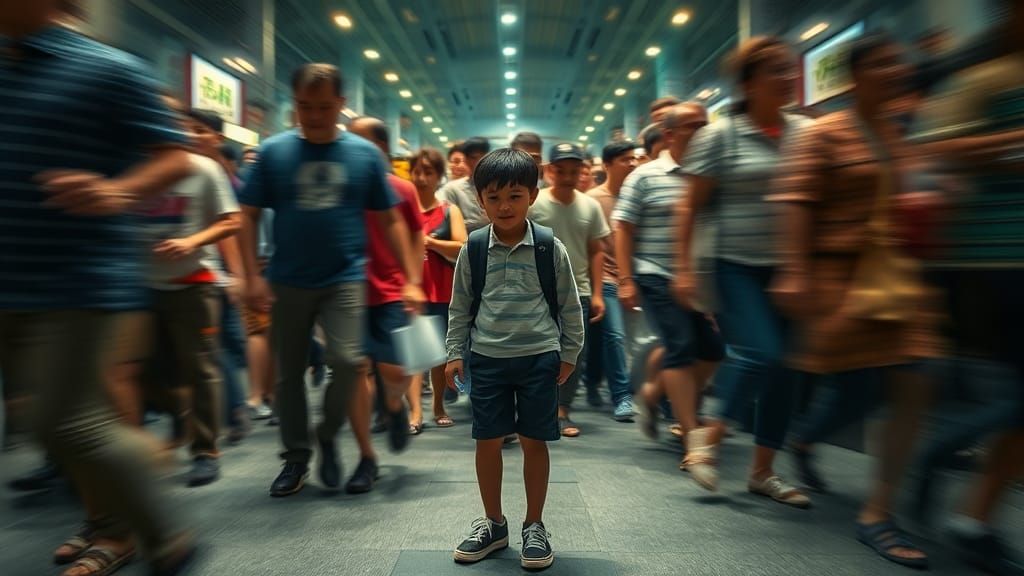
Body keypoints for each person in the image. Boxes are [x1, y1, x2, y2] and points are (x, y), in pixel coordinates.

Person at [0, 1, 199, 573]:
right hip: (10, 279)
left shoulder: (108, 68)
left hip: (78, 279)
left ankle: (160, 529)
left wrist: (115, 193)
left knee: (65, 421)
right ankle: (116, 518)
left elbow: (176, 158)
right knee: (45, 419)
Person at [770, 33, 939, 568]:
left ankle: (877, 512)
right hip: (838, 279)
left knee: (914, 378)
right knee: (856, 391)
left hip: (895, 279)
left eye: (899, 63)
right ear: (857, 74)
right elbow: (796, 200)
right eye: (884, 63)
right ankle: (803, 439)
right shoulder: (825, 134)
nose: (896, 71)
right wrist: (795, 271)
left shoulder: (898, 134)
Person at [238, 63, 426, 498]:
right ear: (295, 104)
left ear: (341, 105)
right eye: (305, 107)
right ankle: (296, 457)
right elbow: (246, 215)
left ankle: (327, 431)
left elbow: (391, 221)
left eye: (324, 107)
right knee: (288, 376)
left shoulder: (363, 156)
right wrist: (250, 274)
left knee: (346, 361)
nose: (315, 116)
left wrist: (410, 278)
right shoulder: (273, 152)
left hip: (345, 278)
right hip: (287, 279)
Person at [674, 37, 813, 507]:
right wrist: (683, 268)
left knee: (785, 370)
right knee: (760, 354)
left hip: (790, 266)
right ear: (749, 82)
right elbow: (688, 207)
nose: (788, 76)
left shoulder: (803, 132)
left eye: (789, 68)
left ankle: (763, 473)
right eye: (775, 69)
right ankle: (706, 437)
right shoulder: (720, 135)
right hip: (733, 264)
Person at [910, 3, 1024, 572]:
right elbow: (936, 149)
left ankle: (972, 514)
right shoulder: (987, 78)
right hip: (995, 260)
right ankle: (952, 484)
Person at [446, 148, 584, 570]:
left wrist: (570, 351)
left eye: (515, 196)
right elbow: (460, 306)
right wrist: (455, 353)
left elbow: (569, 304)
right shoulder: (473, 248)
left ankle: (534, 525)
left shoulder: (548, 247)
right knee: (487, 440)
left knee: (533, 440)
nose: (504, 207)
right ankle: (493, 522)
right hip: (487, 359)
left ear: (533, 196)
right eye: (493, 198)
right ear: (480, 199)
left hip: (539, 357)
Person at [613, 103, 725, 484]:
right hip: (655, 273)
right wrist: (626, 280)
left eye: (704, 126)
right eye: (693, 126)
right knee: (679, 344)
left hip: (697, 277)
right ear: (670, 133)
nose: (702, 132)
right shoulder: (646, 176)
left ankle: (652, 391)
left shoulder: (710, 176)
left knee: (711, 350)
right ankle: (693, 437)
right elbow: (624, 228)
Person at [138, 99, 243, 487]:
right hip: (139, 284)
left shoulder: (203, 169)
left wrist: (192, 241)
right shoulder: (133, 165)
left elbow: (231, 221)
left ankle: (205, 450)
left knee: (200, 368)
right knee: (137, 369)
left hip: (194, 283)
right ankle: (179, 415)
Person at [344, 117, 425, 493]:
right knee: (353, 371)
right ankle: (366, 457)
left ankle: (393, 406)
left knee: (396, 371)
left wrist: (413, 281)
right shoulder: (340, 185)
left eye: (358, 141)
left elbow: (414, 231)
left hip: (391, 289)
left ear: (379, 147)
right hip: (345, 290)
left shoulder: (401, 188)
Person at [529, 143, 610, 436]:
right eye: (561, 170)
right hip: (538, 289)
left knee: (574, 352)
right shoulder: (534, 204)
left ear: (581, 172)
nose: (568, 176)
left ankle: (563, 410)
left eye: (574, 170)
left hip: (580, 290)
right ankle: (537, 407)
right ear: (550, 171)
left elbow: (596, 250)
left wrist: (599, 293)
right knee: (538, 350)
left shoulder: (590, 206)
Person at [186, 108, 251, 446]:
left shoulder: (219, 176)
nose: (192, 137)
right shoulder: (185, 169)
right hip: (193, 275)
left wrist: (238, 275)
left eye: (200, 131)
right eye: (187, 129)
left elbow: (231, 228)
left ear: (217, 137)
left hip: (214, 276)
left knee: (217, 349)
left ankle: (235, 411)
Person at [406, 148, 466, 431]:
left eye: (428, 172)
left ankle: (438, 405)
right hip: (411, 290)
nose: (421, 178)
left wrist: (430, 242)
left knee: (439, 354)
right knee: (414, 354)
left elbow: (461, 245)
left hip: (442, 289)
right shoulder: (401, 210)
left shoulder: (449, 211)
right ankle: (415, 413)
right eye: (416, 171)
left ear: (438, 176)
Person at [586, 141, 639, 421]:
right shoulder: (593, 199)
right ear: (607, 165)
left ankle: (593, 382)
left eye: (634, 159)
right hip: (605, 279)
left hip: (636, 277)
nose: (632, 164)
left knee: (602, 339)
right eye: (624, 159)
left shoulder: (637, 194)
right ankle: (622, 395)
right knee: (615, 336)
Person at [437, 137, 491, 232]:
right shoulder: (453, 189)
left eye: (483, 157)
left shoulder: (498, 185)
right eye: (474, 157)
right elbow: (447, 222)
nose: (479, 161)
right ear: (466, 160)